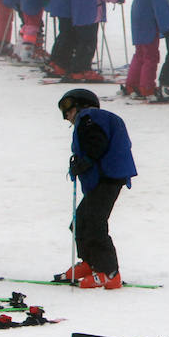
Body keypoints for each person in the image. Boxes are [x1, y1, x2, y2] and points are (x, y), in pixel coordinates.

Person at [56, 88, 137, 289]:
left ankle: (109, 272)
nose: (67, 117)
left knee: (94, 223)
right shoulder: (92, 118)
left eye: (68, 110)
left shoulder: (89, 117)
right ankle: (90, 263)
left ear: (81, 105)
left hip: (108, 178)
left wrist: (85, 162)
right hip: (106, 177)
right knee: (80, 221)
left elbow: (96, 143)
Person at [122, 0, 162, 100]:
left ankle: (132, 84)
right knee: (151, 56)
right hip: (149, 24)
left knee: (140, 54)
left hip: (139, 24)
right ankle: (146, 87)